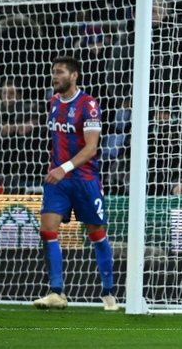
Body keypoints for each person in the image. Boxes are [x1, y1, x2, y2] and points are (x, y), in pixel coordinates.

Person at [33, 56, 118, 311]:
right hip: (58, 180)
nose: (54, 76)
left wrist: (64, 168)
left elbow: (91, 148)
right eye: (53, 72)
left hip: (84, 179)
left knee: (96, 233)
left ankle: (108, 293)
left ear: (74, 75)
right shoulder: (53, 103)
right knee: (47, 230)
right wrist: (57, 169)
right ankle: (56, 291)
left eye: (60, 72)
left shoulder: (88, 105)